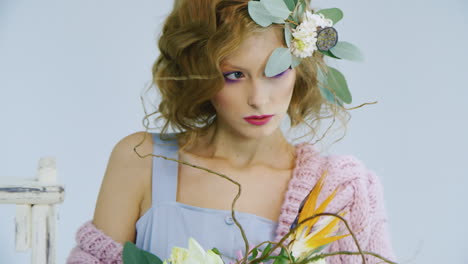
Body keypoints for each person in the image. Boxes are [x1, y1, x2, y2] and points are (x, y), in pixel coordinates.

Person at [66, 0, 397, 263]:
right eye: (234, 75)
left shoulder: (344, 191)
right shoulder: (140, 160)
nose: (258, 99)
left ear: (301, 68)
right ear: (201, 74)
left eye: (277, 71)